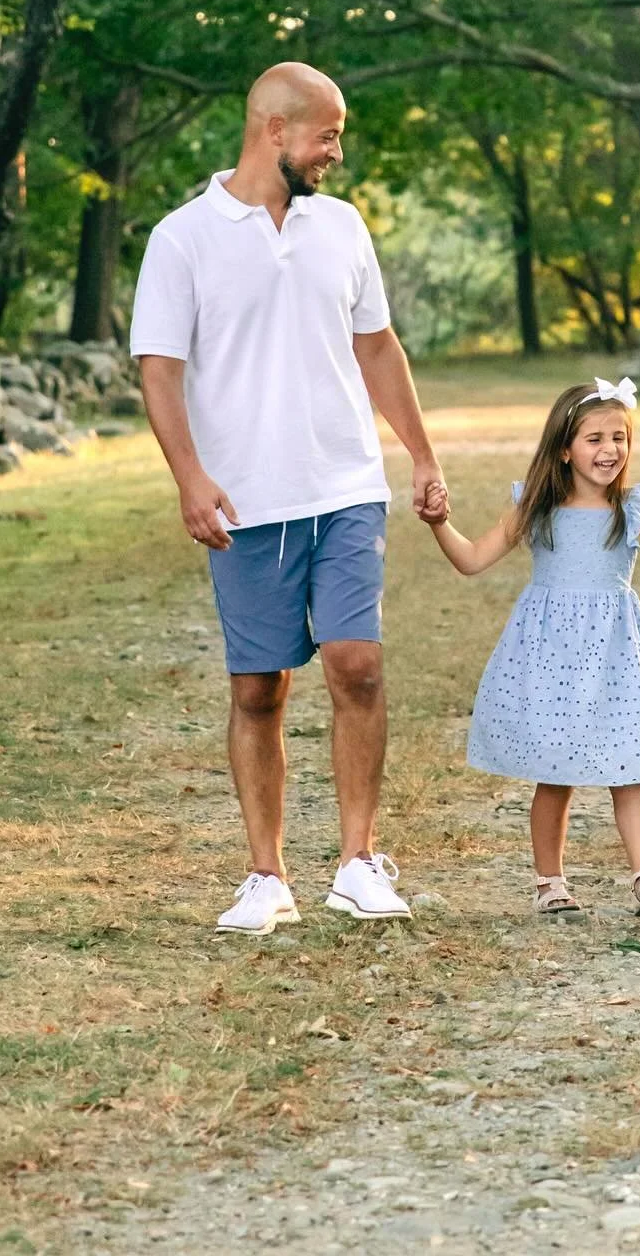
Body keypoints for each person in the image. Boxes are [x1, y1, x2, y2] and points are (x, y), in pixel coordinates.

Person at [131, 63, 447, 935]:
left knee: (359, 664)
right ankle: (266, 875)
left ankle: (357, 861)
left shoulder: (342, 228)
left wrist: (419, 453)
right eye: (328, 134)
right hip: (247, 501)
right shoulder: (183, 237)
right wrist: (190, 477)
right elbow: (159, 369)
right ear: (275, 130)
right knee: (259, 688)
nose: (337, 153)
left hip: (345, 485)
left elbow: (379, 348)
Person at [426, 377, 640, 916]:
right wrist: (438, 523)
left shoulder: (635, 508)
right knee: (556, 773)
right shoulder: (537, 509)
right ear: (564, 447)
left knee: (628, 768)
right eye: (594, 438)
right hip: (550, 656)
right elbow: (472, 559)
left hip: (614, 654)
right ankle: (550, 882)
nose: (609, 450)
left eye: (619, 437)